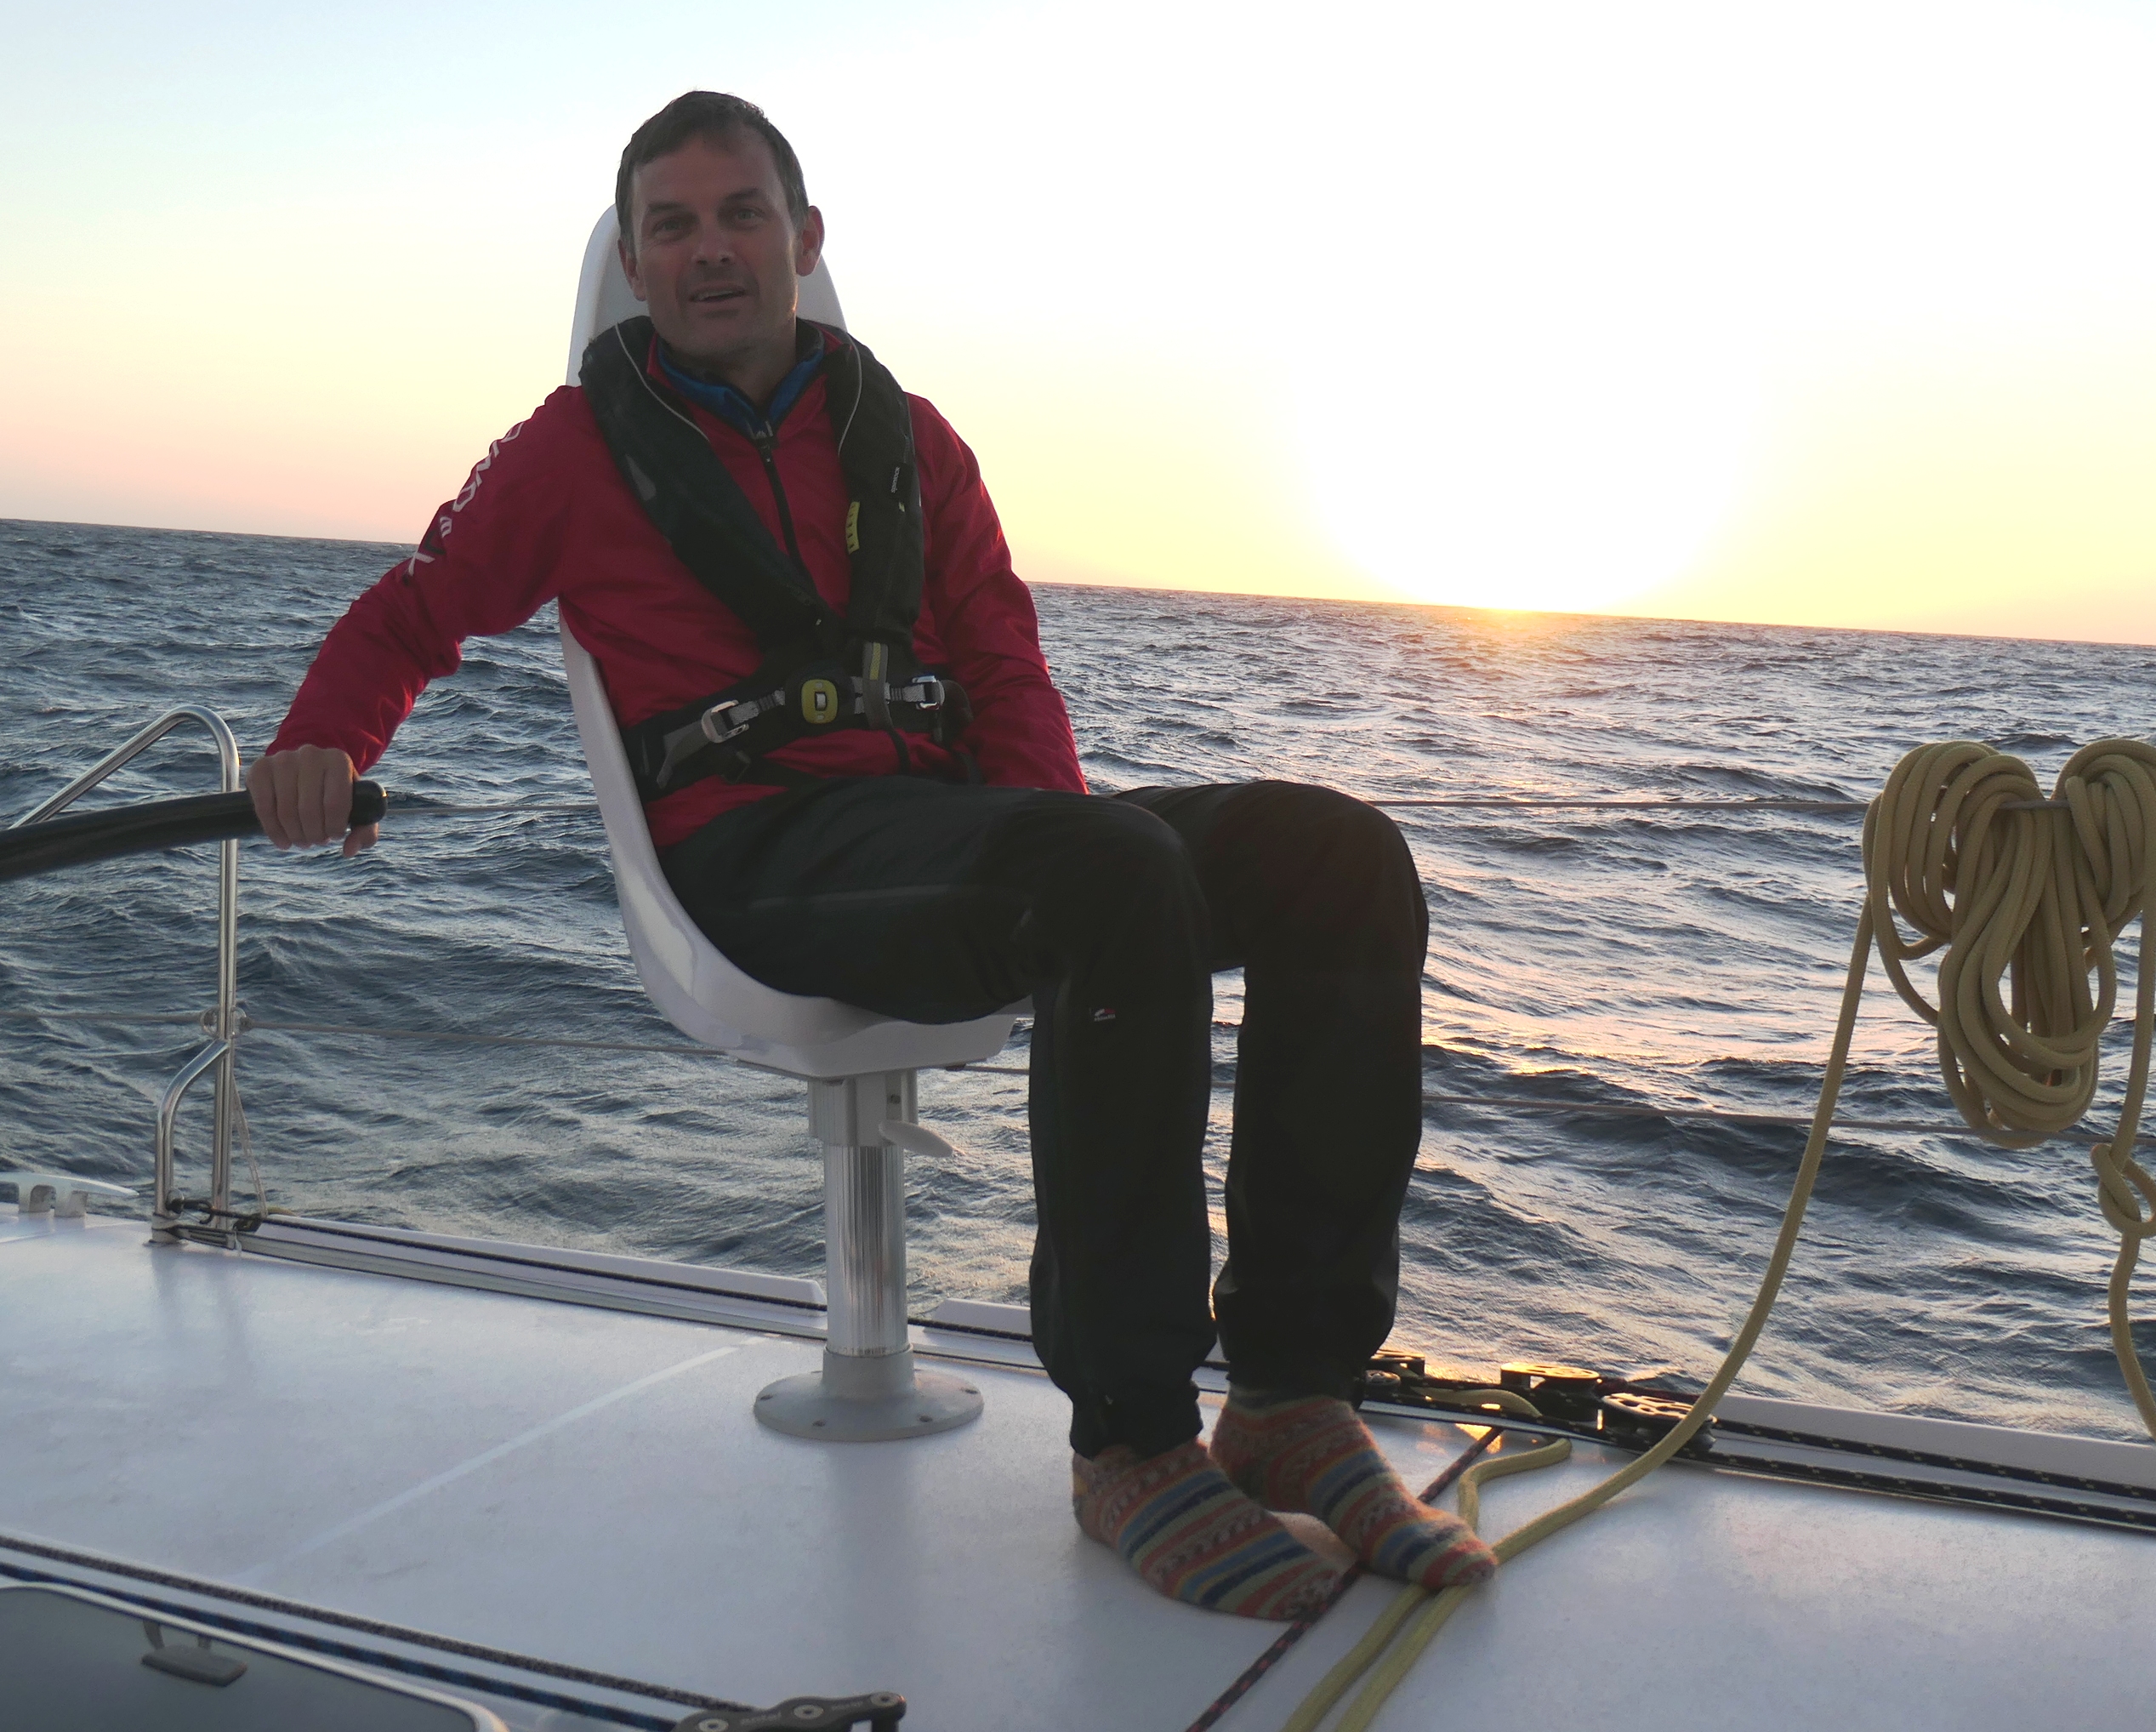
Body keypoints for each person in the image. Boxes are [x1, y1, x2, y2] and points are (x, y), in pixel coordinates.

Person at [250, 91, 1490, 1620]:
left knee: (1340, 858)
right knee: (1107, 877)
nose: (711, 250)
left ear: (806, 238)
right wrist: (324, 743)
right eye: (672, 227)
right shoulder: (571, 452)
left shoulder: (910, 438)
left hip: (947, 828)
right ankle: (1130, 1441)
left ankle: (1293, 1396)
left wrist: (1057, 840)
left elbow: (1003, 660)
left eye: (742, 214)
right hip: (756, 858)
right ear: (634, 267)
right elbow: (412, 614)